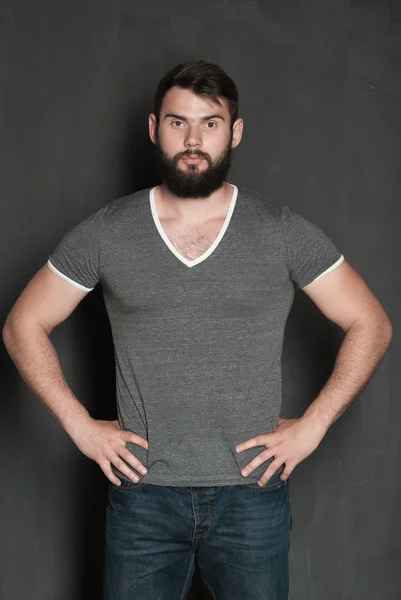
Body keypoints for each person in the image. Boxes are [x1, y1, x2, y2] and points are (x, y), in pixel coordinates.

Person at [2, 60, 392, 600]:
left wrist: (314, 426)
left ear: (234, 132)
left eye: (209, 123)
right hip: (142, 499)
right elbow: (24, 323)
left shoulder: (278, 231)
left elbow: (369, 322)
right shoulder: (109, 232)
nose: (192, 138)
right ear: (153, 128)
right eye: (177, 122)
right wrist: (81, 427)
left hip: (251, 498)